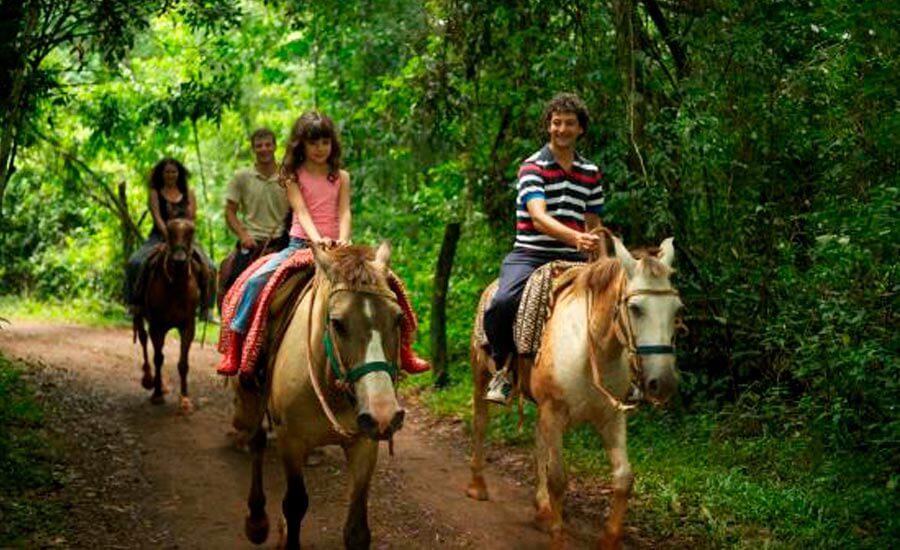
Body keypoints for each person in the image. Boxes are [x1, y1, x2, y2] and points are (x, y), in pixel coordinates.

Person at [483, 93, 605, 405]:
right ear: (548, 126)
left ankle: (618, 375)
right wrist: (577, 239)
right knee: (502, 303)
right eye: (556, 123)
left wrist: (602, 261)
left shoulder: (590, 172)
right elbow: (538, 217)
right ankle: (503, 371)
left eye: (569, 124)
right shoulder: (532, 167)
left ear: (581, 129)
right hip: (530, 254)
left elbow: (593, 222)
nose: (562, 129)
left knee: (618, 301)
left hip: (576, 257)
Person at [228, 111, 351, 335]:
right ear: (301, 144)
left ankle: (398, 353)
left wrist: (342, 239)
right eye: (313, 143)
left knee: (380, 284)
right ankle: (239, 330)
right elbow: (302, 212)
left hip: (337, 248)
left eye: (325, 142)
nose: (320, 148)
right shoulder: (292, 175)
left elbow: (344, 211)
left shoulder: (341, 176)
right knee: (255, 281)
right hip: (301, 245)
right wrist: (317, 240)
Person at [124, 158, 216, 317]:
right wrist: (169, 236)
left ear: (179, 174)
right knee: (135, 262)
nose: (170, 175)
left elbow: (191, 218)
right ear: (161, 174)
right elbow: (157, 217)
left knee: (211, 267)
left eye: (174, 171)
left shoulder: (189, 193)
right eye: (167, 172)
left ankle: (206, 308)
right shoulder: (155, 193)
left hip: (185, 238)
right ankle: (134, 304)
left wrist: (182, 237)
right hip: (159, 237)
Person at [221, 128, 291, 298]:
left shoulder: (288, 175)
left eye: (268, 144)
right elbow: (230, 212)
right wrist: (244, 235)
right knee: (231, 281)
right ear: (253, 149)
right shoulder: (241, 177)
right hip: (252, 243)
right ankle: (231, 322)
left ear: (275, 146)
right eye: (259, 146)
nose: (264, 149)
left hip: (284, 241)